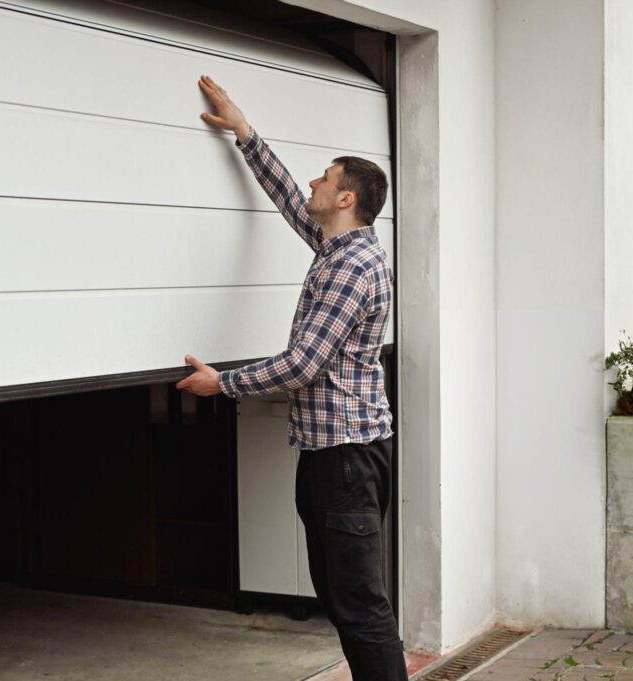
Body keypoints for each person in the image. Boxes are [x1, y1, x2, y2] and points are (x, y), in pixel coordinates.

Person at [176, 75, 407, 681]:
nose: (312, 182)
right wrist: (245, 132)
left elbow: (304, 364)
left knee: (358, 606)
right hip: (332, 453)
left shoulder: (348, 269)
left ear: (346, 198)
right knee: (341, 597)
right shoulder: (338, 248)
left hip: (347, 461)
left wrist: (219, 384)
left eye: (324, 179)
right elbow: (287, 197)